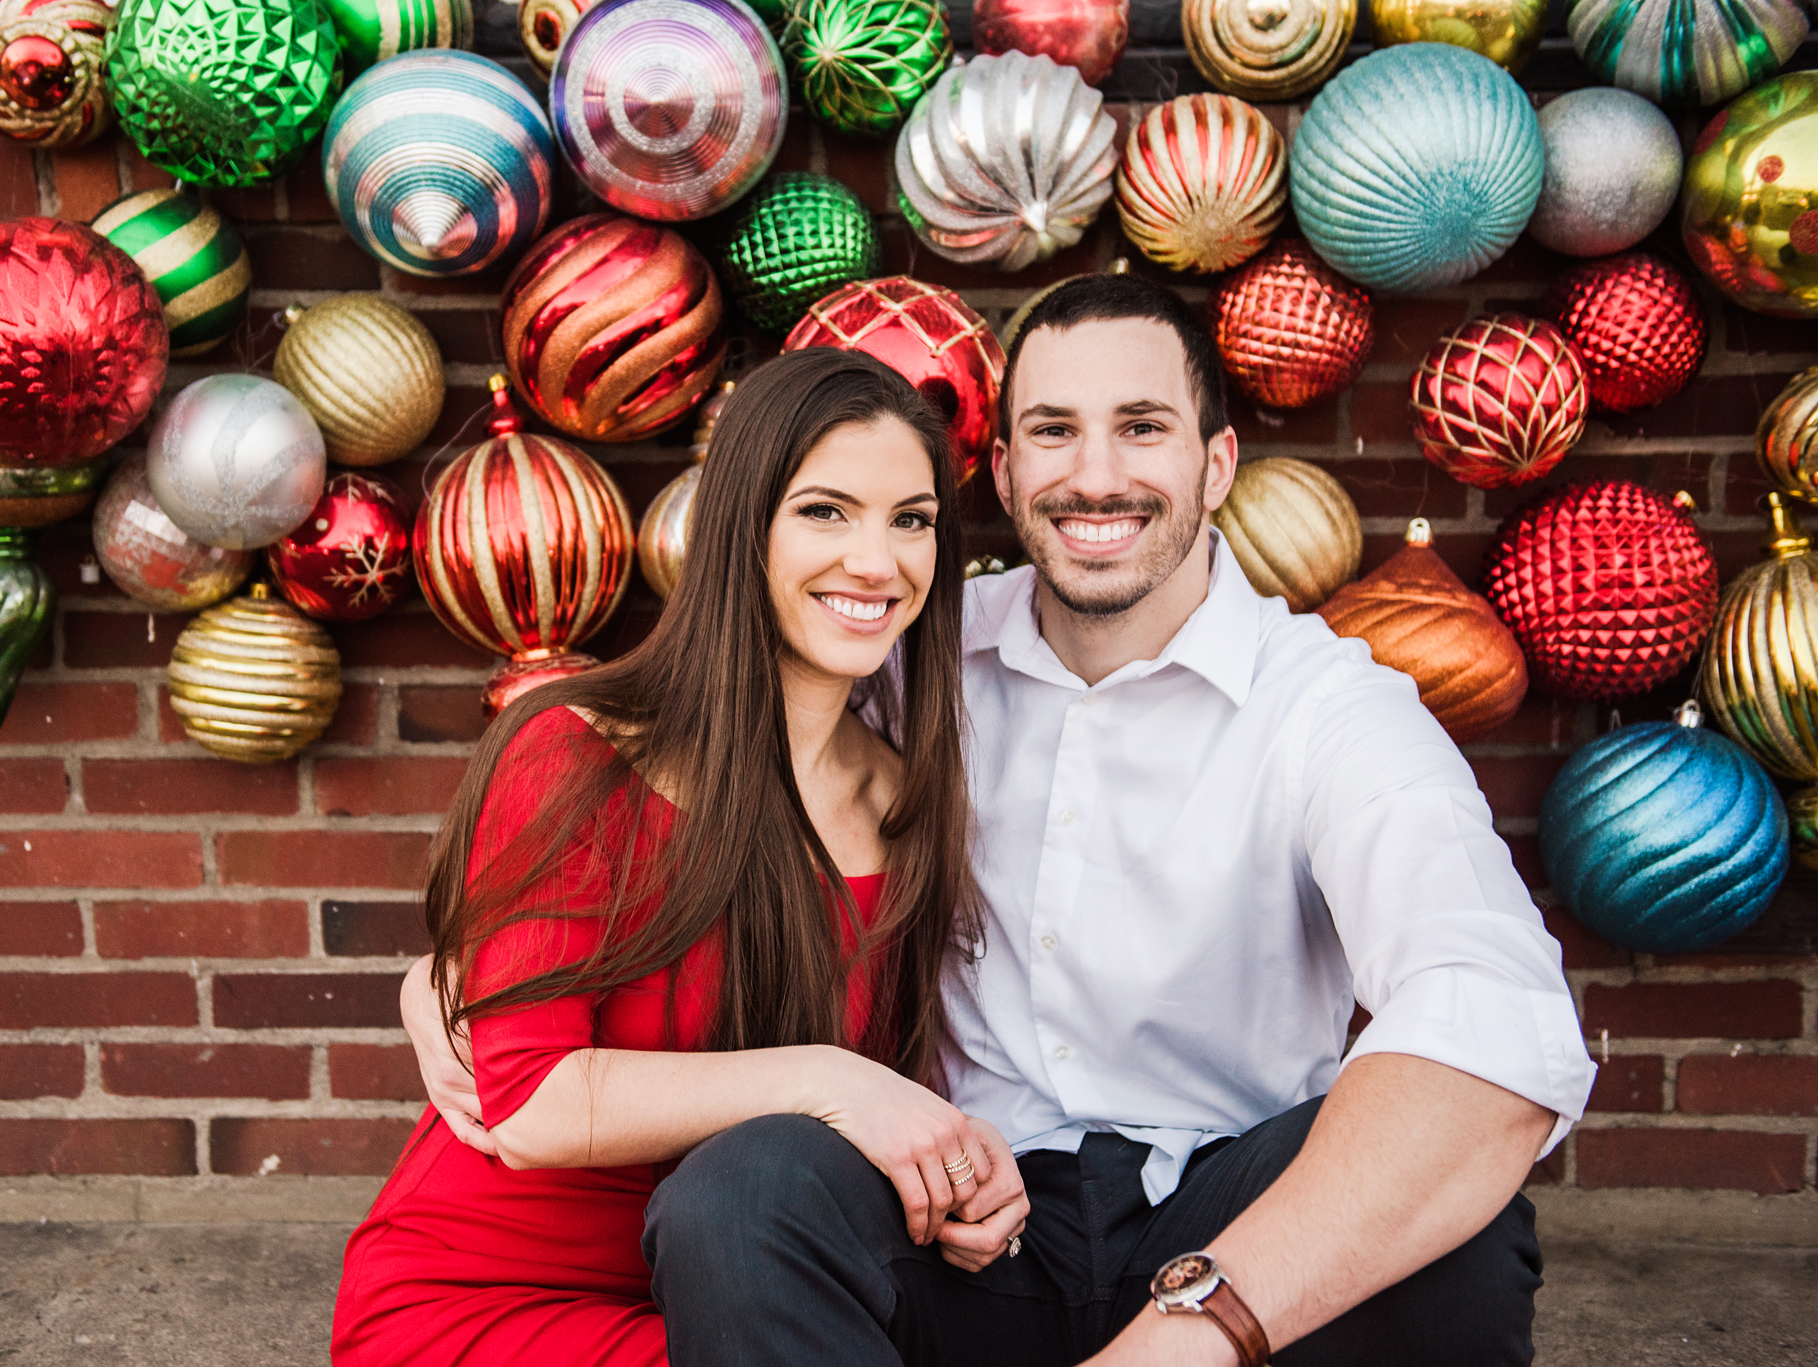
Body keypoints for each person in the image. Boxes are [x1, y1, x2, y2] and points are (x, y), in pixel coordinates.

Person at [403, 274, 1598, 1367]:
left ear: (1217, 462)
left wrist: (1194, 1331)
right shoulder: (902, 653)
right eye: (1051, 432)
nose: (1093, 475)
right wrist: (450, 976)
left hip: (1214, 1222)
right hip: (958, 1225)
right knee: (739, 1194)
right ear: (1007, 473)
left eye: (1141, 427)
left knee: (1463, 1232)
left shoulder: (1330, 711)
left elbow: (1492, 1018)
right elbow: (674, 771)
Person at [331, 347, 1029, 1365]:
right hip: (480, 1298)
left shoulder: (900, 802)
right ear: (742, 529)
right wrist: (831, 1079)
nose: (876, 561)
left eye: (909, 519)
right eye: (825, 511)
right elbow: (528, 1103)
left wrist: (961, 1176)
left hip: (732, 1284)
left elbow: (864, 1112)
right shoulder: (574, 747)